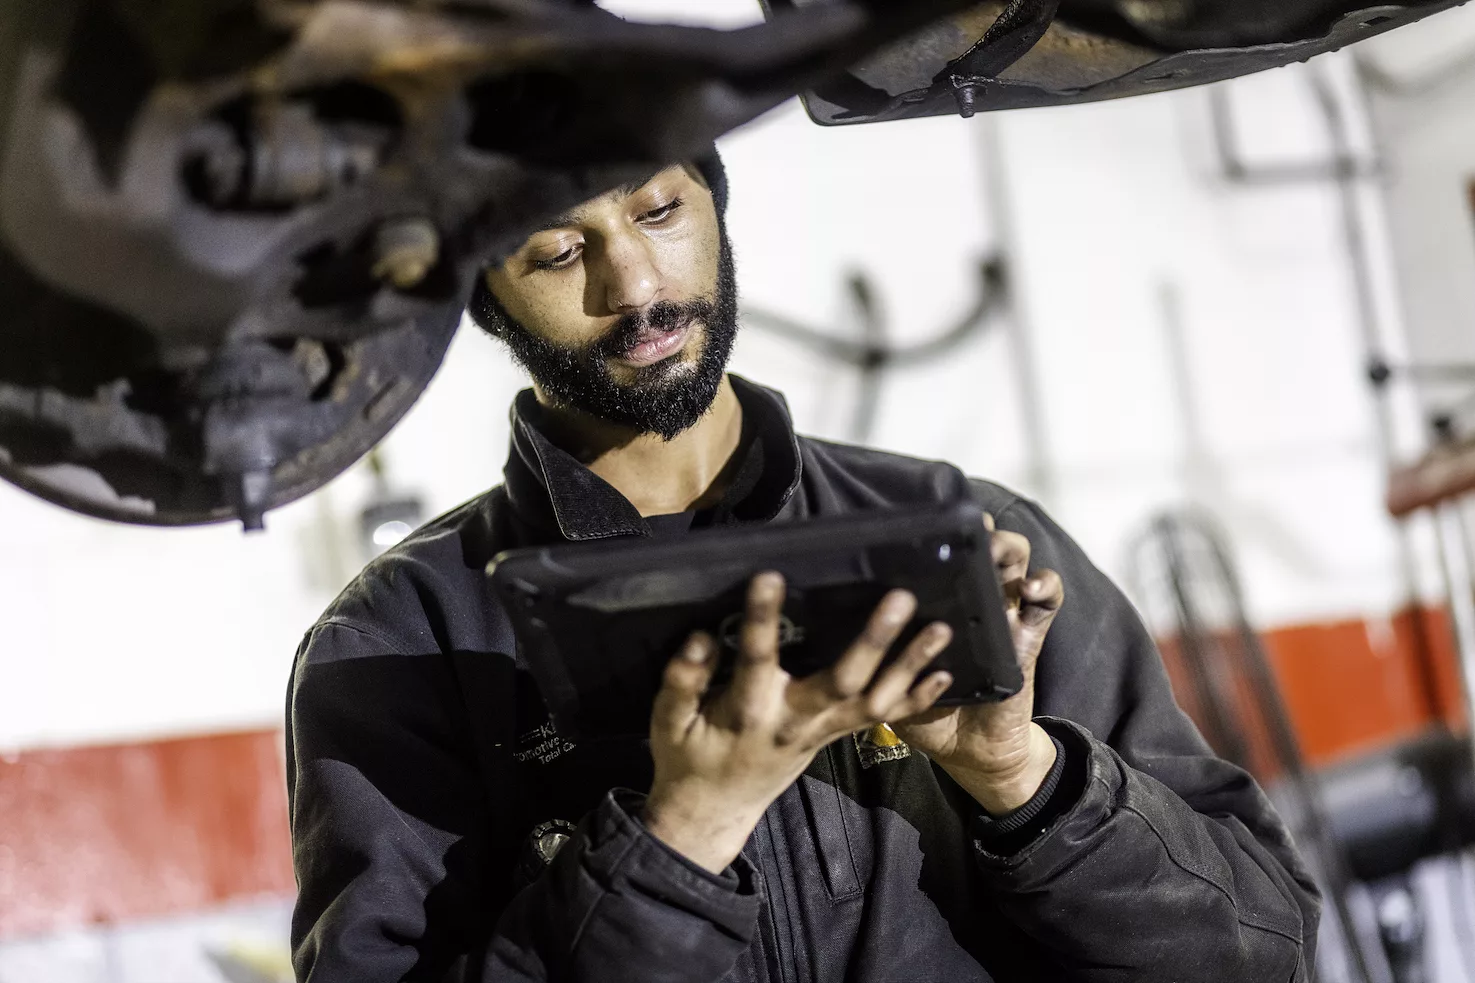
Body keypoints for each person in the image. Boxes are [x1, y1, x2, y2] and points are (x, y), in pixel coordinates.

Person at [286, 152, 1320, 982]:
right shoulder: (398, 642)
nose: (636, 286)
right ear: (483, 298)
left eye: (657, 210)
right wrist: (678, 835)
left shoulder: (972, 538)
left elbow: (1261, 952)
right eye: (558, 252)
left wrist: (1021, 779)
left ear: (713, 202)